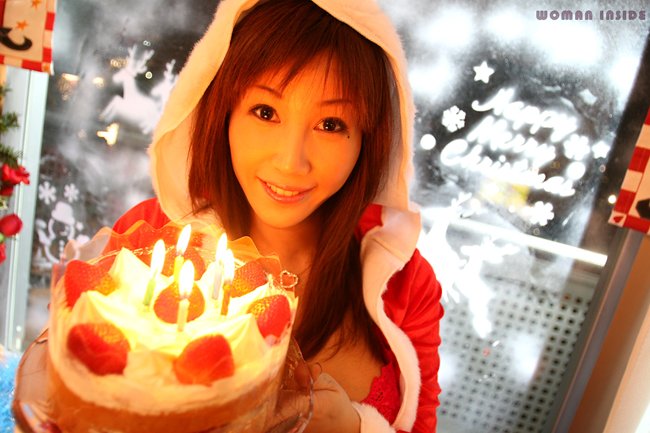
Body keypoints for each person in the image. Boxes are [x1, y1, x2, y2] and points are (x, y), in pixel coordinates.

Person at [112, 0, 443, 431]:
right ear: (224, 112)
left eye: (331, 124)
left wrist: (355, 427)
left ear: (367, 139)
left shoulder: (407, 284)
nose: (291, 162)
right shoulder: (151, 237)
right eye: (266, 112)